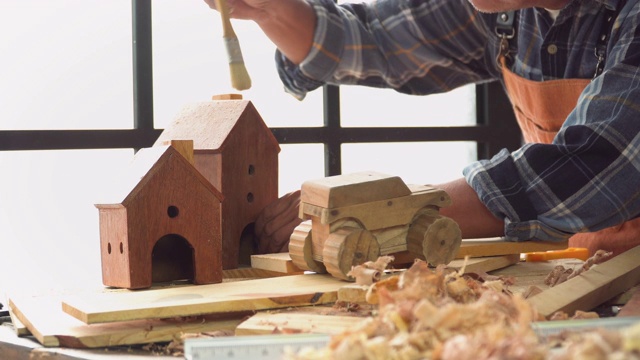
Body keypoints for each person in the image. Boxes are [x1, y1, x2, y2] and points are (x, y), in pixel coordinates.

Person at [204, 0, 640, 257]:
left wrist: (383, 213)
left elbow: (590, 168)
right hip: (578, 268)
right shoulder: (508, 10)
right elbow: (375, 39)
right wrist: (271, 9)